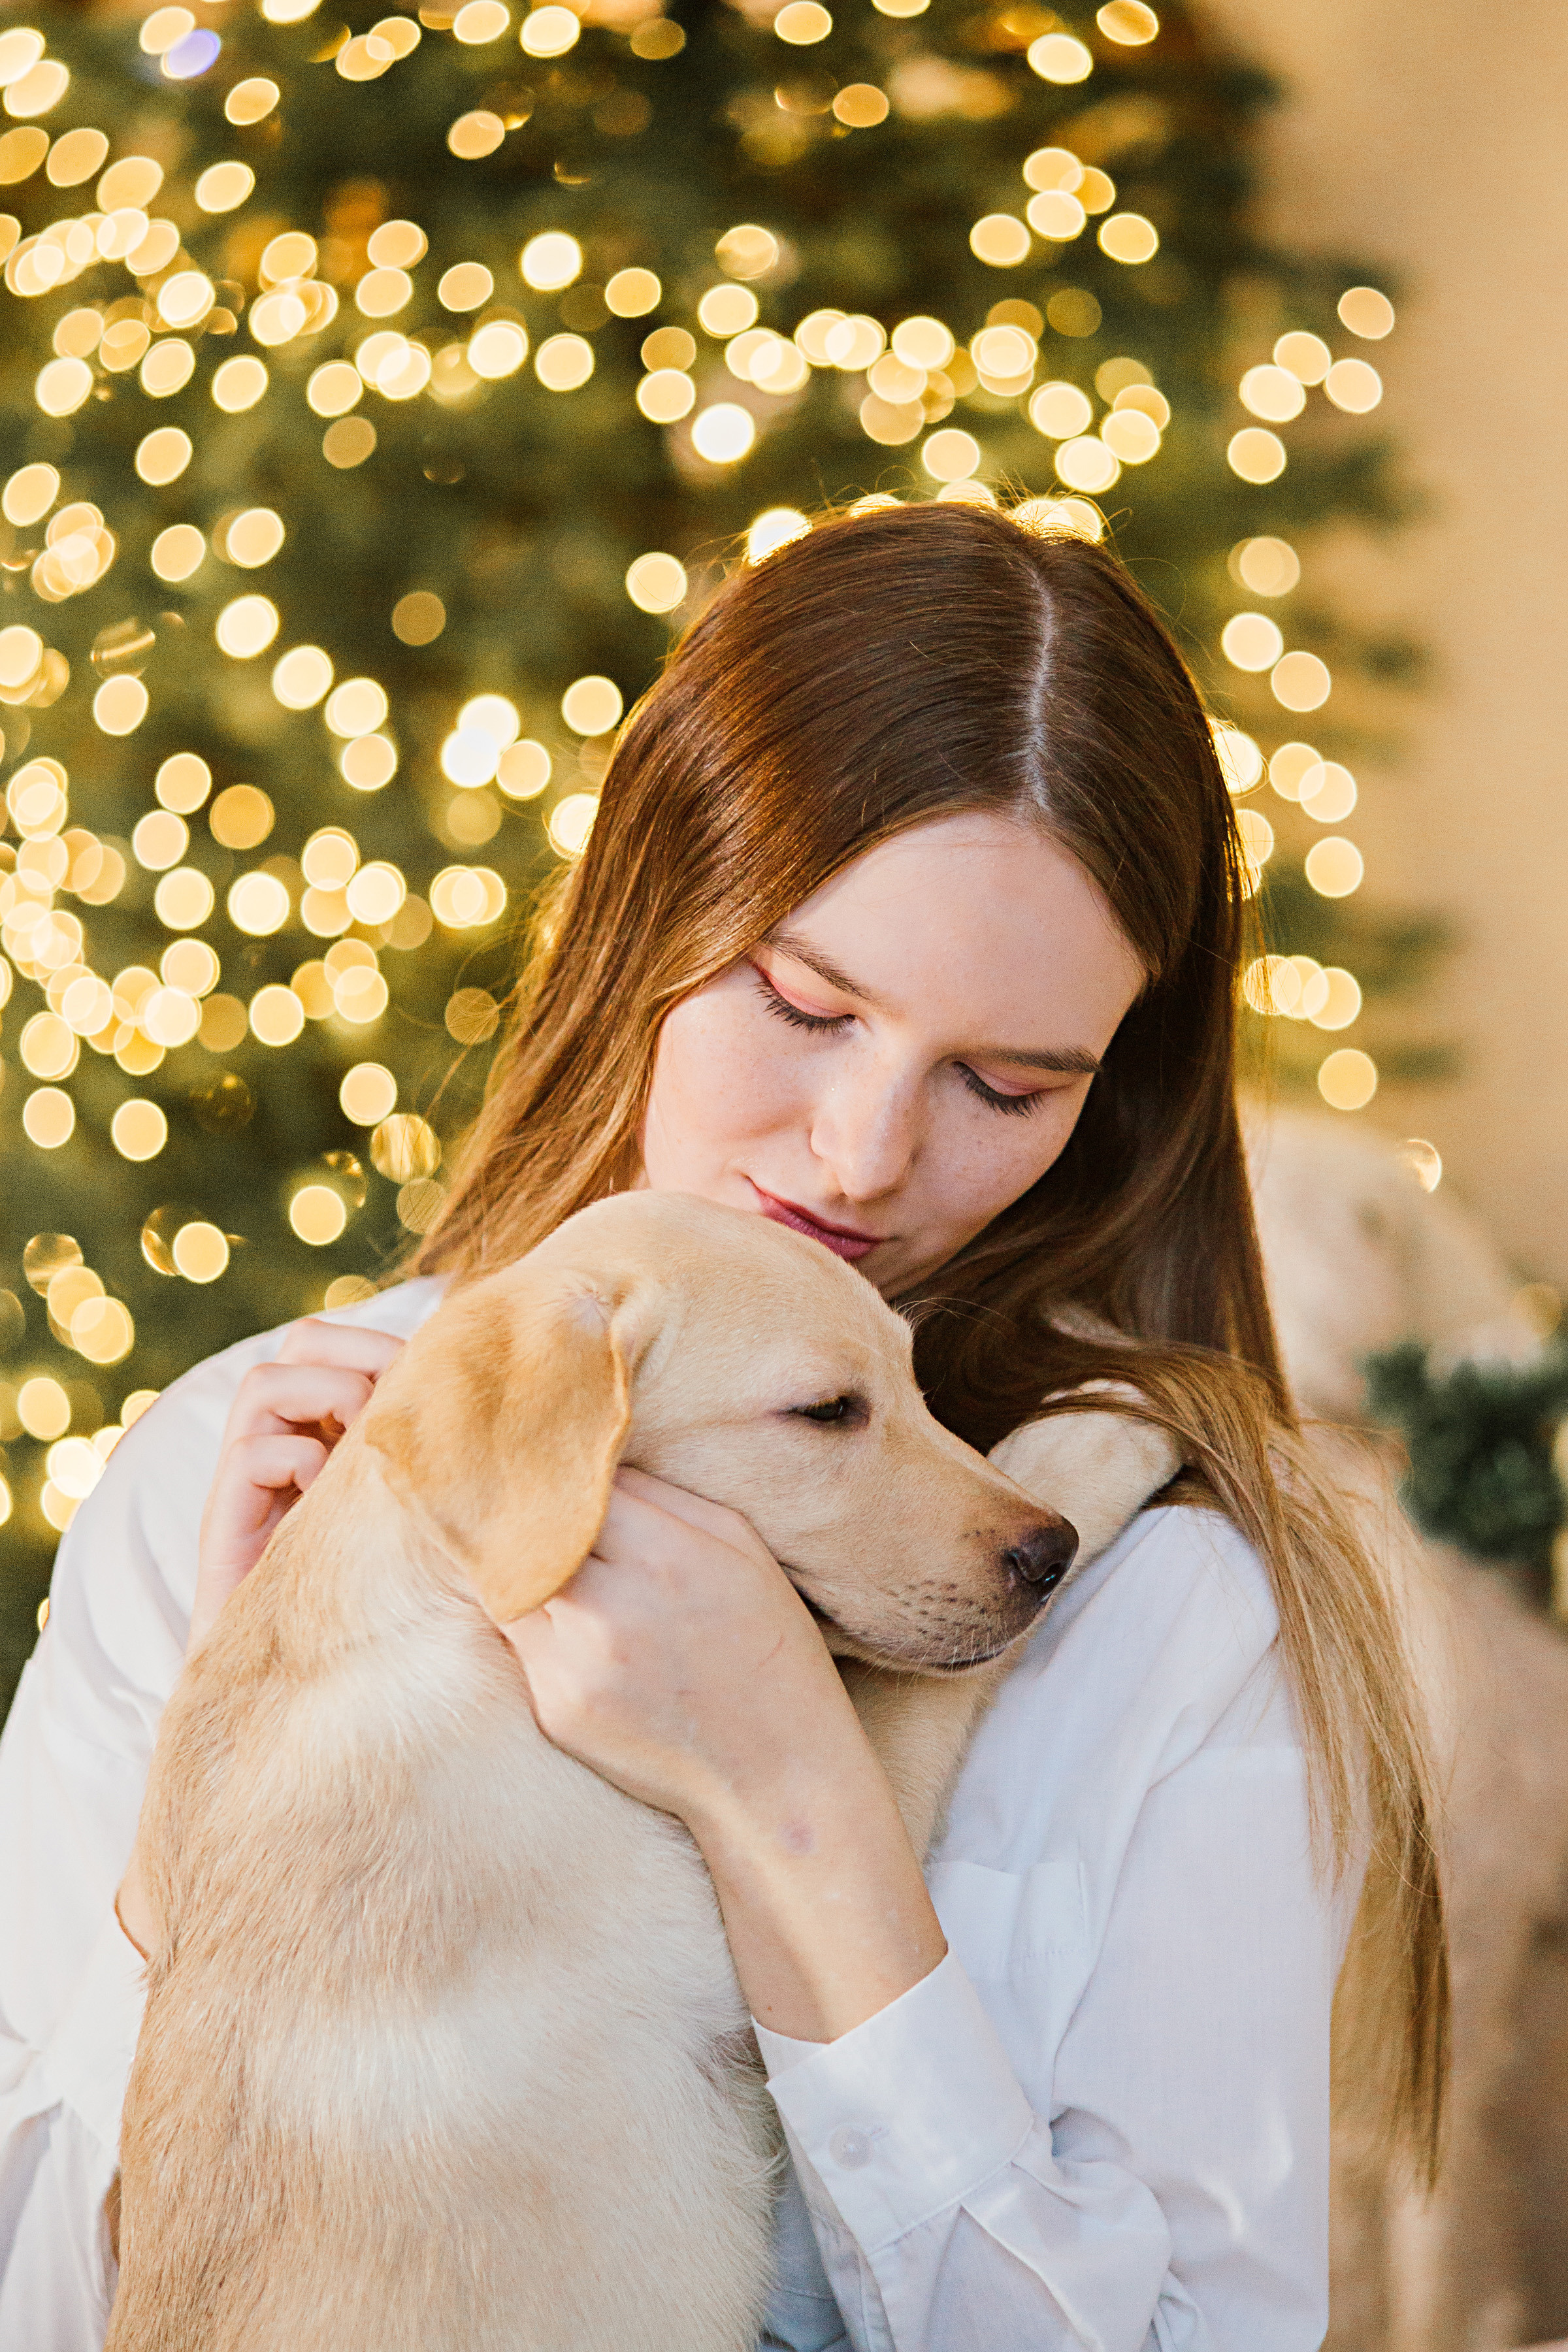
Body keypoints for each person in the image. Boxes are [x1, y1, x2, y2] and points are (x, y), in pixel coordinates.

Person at [0, 502, 1445, 2351]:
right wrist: (237, 1776)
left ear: (1115, 1100)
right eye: (804, 1001)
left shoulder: (1164, 1600)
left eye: (1006, 1085)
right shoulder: (244, 1465)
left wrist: (797, 1796)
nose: (864, 1158)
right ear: (649, 920)